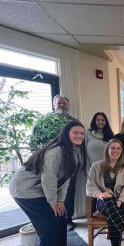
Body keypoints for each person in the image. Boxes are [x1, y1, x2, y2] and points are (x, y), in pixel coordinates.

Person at [9, 121, 86, 246]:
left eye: (82, 133)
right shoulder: (56, 151)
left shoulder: (75, 151)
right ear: (66, 134)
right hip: (25, 189)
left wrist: (60, 201)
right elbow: (49, 178)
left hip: (40, 189)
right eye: (75, 132)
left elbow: (67, 178)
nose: (79, 135)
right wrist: (52, 202)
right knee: (48, 221)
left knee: (60, 214)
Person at [29, 95, 80, 231]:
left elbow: (79, 143)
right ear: (53, 104)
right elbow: (34, 141)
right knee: (48, 186)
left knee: (69, 191)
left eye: (64, 103)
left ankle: (67, 218)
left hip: (69, 162)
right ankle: (52, 215)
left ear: (68, 106)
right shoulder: (44, 121)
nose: (62, 105)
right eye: (59, 103)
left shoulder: (74, 122)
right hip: (49, 162)